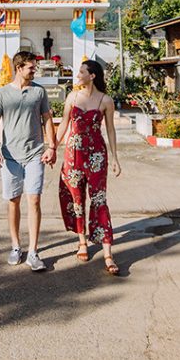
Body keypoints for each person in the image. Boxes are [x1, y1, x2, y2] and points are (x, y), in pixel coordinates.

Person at [0, 50, 57, 271]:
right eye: (31, 67)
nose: (34, 70)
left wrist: (52, 146)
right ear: (19, 68)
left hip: (35, 153)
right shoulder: (3, 94)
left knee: (34, 200)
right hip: (10, 156)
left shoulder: (39, 92)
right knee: (13, 201)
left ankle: (34, 252)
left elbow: (47, 119)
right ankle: (16, 246)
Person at [55, 59, 122, 275]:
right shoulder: (72, 97)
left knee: (99, 199)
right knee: (76, 199)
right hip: (73, 154)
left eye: (82, 71)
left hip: (96, 156)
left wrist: (115, 157)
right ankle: (82, 241)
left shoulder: (105, 100)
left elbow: (110, 130)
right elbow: (64, 123)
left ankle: (108, 252)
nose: (78, 75)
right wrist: (52, 146)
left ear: (92, 75)